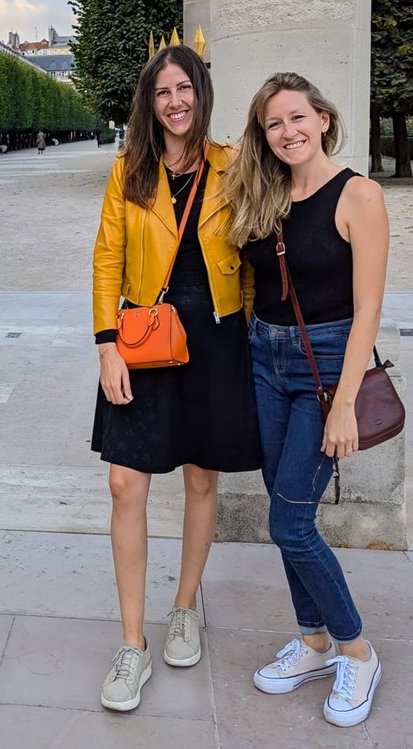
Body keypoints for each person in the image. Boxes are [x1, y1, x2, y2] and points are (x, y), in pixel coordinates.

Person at [91, 45, 262, 712]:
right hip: (142, 335)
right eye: (162, 91)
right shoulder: (128, 170)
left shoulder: (233, 166)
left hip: (217, 336)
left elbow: (261, 245)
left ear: (201, 92)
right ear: (150, 102)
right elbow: (107, 256)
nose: (174, 101)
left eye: (183, 87)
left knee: (200, 476)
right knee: (123, 481)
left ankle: (186, 604)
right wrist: (107, 345)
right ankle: (132, 644)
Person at [225, 72, 389, 729]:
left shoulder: (359, 195)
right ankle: (314, 639)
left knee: (290, 520)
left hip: (325, 367)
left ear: (323, 117)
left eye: (298, 117)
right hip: (264, 359)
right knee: (282, 505)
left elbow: (369, 306)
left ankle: (356, 647)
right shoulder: (262, 194)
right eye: (273, 123)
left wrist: (345, 401)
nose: (288, 131)